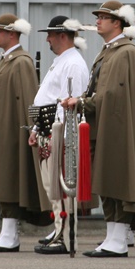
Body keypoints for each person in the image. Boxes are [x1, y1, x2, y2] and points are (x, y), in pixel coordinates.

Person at [62, 0, 135, 258]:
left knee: (116, 182)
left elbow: (110, 94)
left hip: (116, 129)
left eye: (103, 17)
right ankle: (112, 237)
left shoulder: (124, 52)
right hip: (104, 125)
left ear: (117, 22)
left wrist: (81, 101)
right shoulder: (109, 51)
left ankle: (118, 240)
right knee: (108, 182)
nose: (97, 21)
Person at [0, 14, 51, 252]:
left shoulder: (21, 62)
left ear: (12, 34)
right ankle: (7, 232)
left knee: (7, 181)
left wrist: (33, 130)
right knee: (1, 180)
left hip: (11, 131)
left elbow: (29, 99)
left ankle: (10, 234)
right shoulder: (5, 60)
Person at [31, 16, 89, 255]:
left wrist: (63, 138)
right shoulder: (61, 61)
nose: (47, 39)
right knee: (50, 186)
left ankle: (65, 236)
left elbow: (70, 104)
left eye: (51, 35)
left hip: (59, 132)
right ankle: (58, 229)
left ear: (62, 36)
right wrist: (36, 129)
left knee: (61, 189)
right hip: (47, 129)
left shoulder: (73, 64)